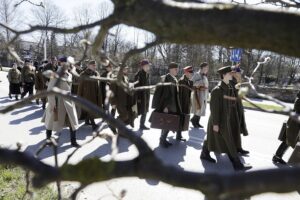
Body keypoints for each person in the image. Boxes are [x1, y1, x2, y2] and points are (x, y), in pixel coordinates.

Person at [202, 66, 252, 171]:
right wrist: (215, 124)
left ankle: (204, 153)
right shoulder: (217, 90)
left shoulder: (229, 87)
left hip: (228, 119)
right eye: (230, 73)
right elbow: (214, 109)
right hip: (220, 120)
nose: (232, 75)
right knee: (229, 141)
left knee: (216, 138)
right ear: (224, 75)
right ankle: (237, 164)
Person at [42, 63, 80, 147]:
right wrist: (52, 104)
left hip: (68, 101)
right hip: (57, 101)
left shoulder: (69, 74)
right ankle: (48, 140)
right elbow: (50, 89)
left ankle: (73, 141)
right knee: (51, 121)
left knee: (73, 121)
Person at [152, 62, 182, 148]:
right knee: (166, 123)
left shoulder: (174, 79)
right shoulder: (166, 78)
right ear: (171, 69)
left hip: (173, 106)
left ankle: (163, 139)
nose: (177, 71)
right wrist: (165, 106)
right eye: (176, 69)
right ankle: (162, 139)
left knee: (168, 124)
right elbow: (164, 93)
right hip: (168, 106)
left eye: (177, 69)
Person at [272, 91, 300, 164]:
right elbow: (298, 110)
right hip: (295, 123)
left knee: (288, 140)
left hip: (295, 122)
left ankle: (277, 156)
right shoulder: (299, 100)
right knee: (289, 140)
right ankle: (278, 156)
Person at [110, 64, 137, 131]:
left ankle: (121, 130)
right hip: (119, 101)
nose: (126, 70)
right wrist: (113, 103)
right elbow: (112, 92)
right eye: (124, 68)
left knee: (128, 115)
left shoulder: (126, 78)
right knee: (124, 116)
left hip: (126, 101)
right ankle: (112, 124)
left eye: (126, 68)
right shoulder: (115, 79)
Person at [77, 60, 102, 130]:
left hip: (95, 94)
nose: (95, 66)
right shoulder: (83, 74)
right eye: (93, 65)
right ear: (88, 66)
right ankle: (93, 124)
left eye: (95, 65)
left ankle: (87, 121)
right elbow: (80, 87)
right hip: (87, 96)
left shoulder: (96, 73)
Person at [231, 64, 250, 155]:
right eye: (239, 73)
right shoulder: (231, 83)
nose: (240, 75)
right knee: (231, 129)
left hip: (238, 107)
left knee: (237, 129)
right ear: (233, 73)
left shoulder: (238, 82)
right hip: (232, 109)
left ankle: (238, 147)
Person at [177, 66, 194, 141]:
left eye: (191, 72)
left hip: (186, 104)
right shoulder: (181, 81)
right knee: (179, 119)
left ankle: (179, 135)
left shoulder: (189, 81)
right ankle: (163, 138)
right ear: (186, 72)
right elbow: (179, 94)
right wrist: (179, 106)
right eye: (190, 72)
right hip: (181, 104)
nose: (191, 74)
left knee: (183, 120)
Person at [191, 62, 209, 128]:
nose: (207, 69)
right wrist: (200, 82)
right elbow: (191, 83)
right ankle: (194, 121)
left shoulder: (205, 75)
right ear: (202, 68)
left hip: (204, 94)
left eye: (207, 68)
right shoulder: (196, 74)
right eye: (206, 67)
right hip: (198, 94)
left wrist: (207, 95)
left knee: (202, 109)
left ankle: (197, 122)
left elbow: (206, 85)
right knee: (198, 108)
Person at [134, 59, 151, 130]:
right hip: (141, 97)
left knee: (145, 111)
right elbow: (136, 87)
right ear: (143, 66)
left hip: (146, 96)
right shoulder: (138, 75)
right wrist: (138, 98)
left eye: (148, 66)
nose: (148, 67)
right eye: (147, 66)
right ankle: (127, 122)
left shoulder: (147, 74)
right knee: (137, 111)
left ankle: (142, 124)